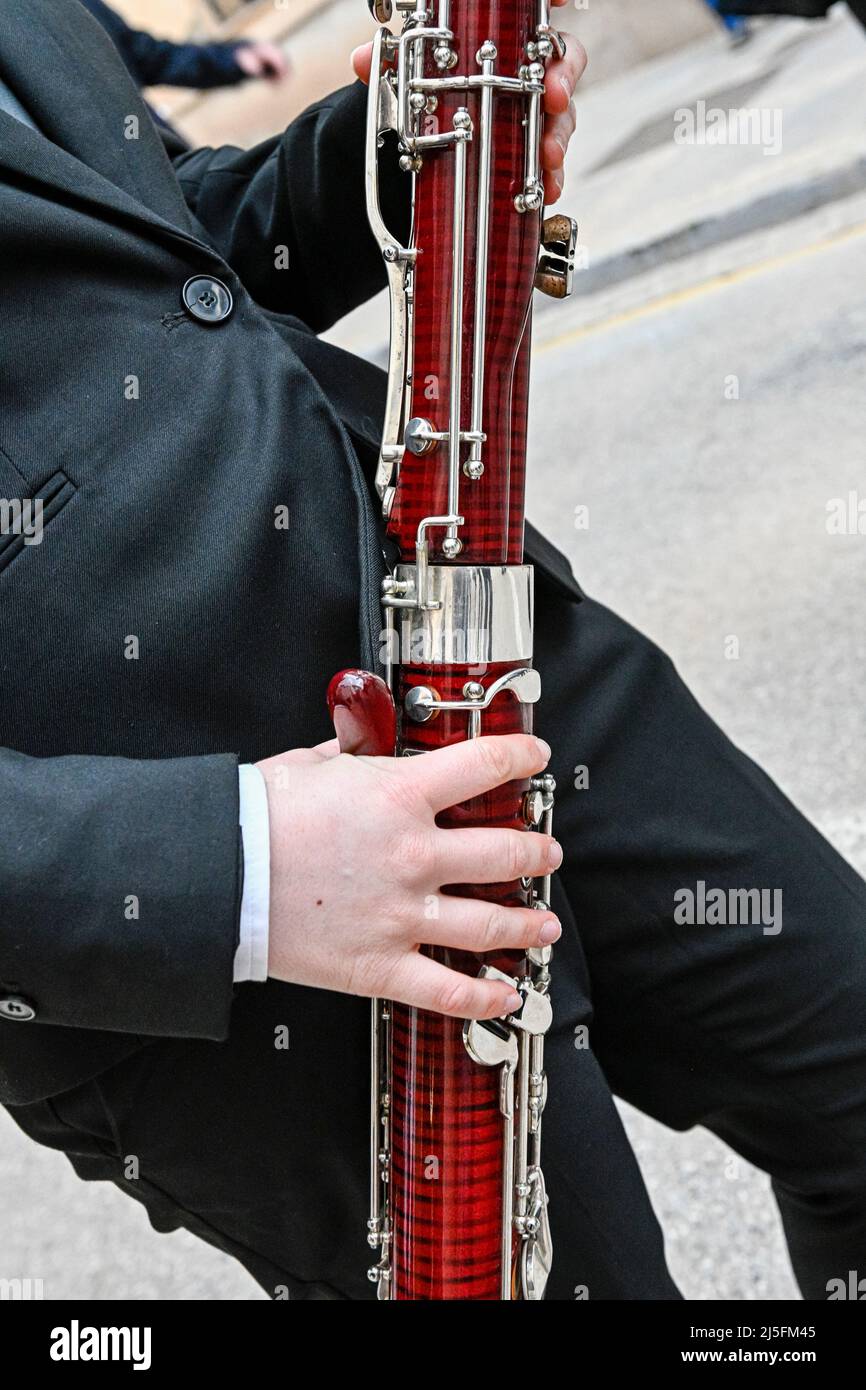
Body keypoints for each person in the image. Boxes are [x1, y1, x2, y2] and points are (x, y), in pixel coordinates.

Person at [0, 0, 864, 1303]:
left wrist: (403, 151)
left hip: (463, 638)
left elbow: (147, 251)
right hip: (212, 901)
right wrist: (235, 860)